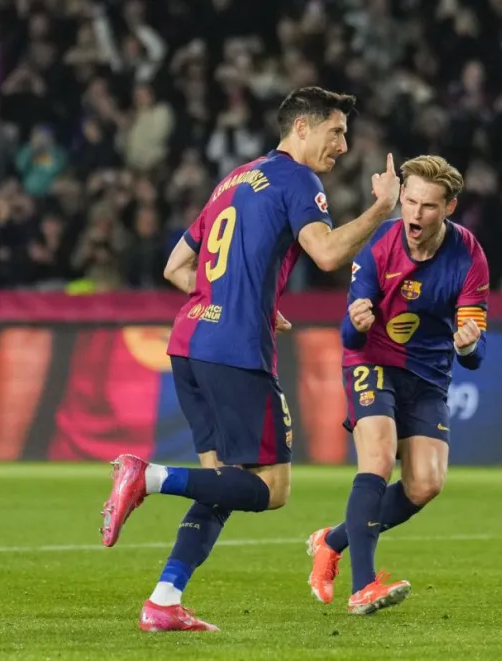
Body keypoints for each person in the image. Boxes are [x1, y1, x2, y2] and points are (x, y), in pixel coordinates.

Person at [99, 86, 403, 632]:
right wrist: (383, 208)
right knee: (271, 489)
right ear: (302, 128)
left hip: (190, 342)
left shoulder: (233, 179)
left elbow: (176, 267)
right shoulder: (296, 179)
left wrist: (241, 299)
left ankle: (164, 599)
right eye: (336, 131)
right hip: (235, 351)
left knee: (223, 485)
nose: (344, 144)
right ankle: (149, 477)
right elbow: (329, 252)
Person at [306, 154, 489, 615]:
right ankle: (362, 586)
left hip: (428, 374)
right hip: (371, 359)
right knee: (379, 456)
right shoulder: (379, 246)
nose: (414, 214)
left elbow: (475, 357)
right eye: (409, 202)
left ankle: (332, 540)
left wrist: (467, 345)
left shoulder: (469, 255)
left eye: (428, 206)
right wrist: (356, 320)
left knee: (425, 484)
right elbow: (349, 336)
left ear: (449, 206)